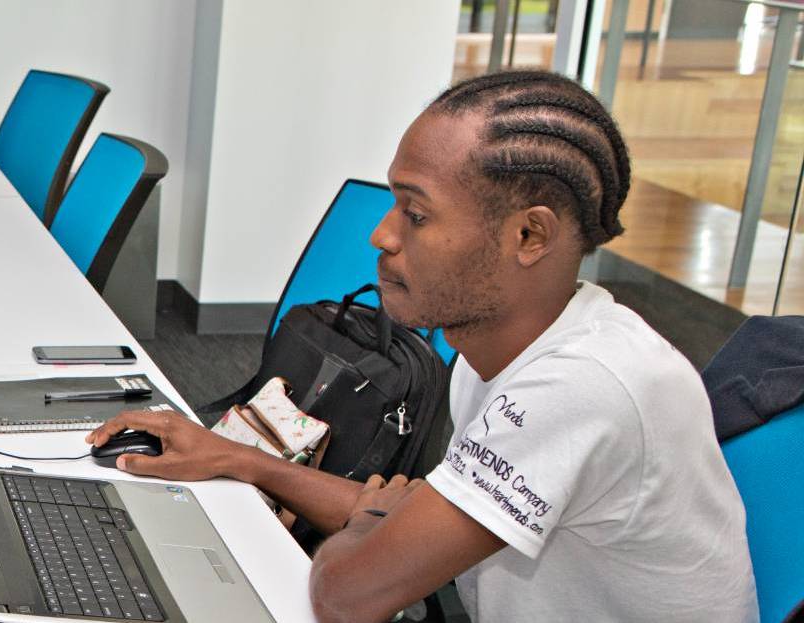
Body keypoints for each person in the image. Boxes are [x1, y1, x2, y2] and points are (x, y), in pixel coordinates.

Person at [89, 70, 757, 622]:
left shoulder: (585, 385)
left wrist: (374, 529)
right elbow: (407, 515)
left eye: (415, 212)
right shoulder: (498, 348)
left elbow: (347, 593)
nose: (381, 235)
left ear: (529, 236)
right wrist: (239, 460)